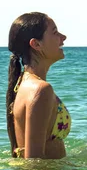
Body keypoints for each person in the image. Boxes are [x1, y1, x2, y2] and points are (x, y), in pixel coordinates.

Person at [6, 12, 70, 159]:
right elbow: (34, 162)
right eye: (55, 32)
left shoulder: (23, 83)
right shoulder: (40, 90)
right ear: (36, 44)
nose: (63, 37)